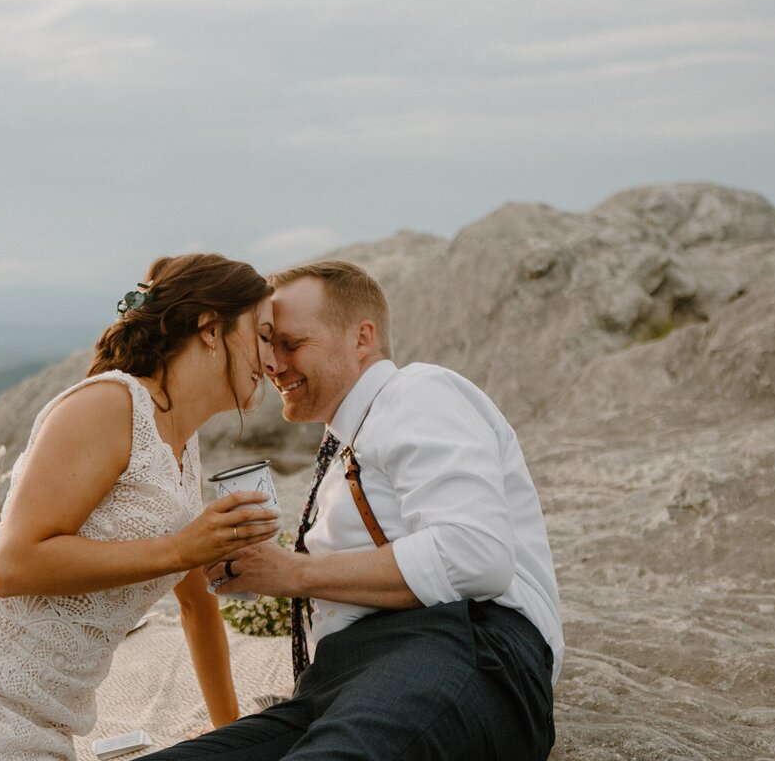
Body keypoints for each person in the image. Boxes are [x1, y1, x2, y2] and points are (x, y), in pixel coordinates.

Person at [0, 253, 281, 761]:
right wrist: (181, 546)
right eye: (262, 335)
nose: (273, 359)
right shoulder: (108, 404)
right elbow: (15, 565)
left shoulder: (184, 448)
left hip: (48, 715)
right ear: (210, 328)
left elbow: (197, 605)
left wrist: (232, 736)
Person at [147, 260, 563, 760]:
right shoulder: (348, 436)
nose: (273, 364)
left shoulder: (418, 392)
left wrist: (291, 572)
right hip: (343, 679)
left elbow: (476, 554)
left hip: (464, 648)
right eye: (268, 344)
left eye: (292, 344)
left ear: (362, 338)